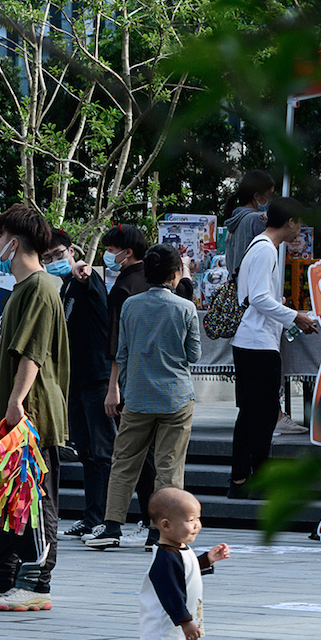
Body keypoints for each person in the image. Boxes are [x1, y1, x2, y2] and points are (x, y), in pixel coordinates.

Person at [0, 204, 69, 613]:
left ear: (14, 241)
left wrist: (15, 403)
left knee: (35, 498)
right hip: (9, 415)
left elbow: (33, 354)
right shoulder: (21, 289)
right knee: (1, 496)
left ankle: (36, 581)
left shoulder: (42, 288)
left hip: (30, 415)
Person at [95, 245, 202, 551]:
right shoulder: (185, 308)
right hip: (176, 397)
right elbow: (193, 354)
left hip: (138, 396)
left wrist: (126, 384)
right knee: (169, 465)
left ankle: (112, 525)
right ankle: (160, 533)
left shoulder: (131, 305)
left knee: (125, 461)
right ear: (175, 275)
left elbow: (123, 352)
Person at [112, 487, 237, 640]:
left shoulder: (180, 549)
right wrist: (185, 620)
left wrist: (207, 560)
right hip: (164, 632)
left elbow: (187, 571)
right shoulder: (164, 558)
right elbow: (171, 594)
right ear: (166, 525)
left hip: (182, 632)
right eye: (191, 520)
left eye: (198, 518)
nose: (197, 525)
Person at [229, 200, 321, 498]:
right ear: (291, 221)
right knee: (263, 414)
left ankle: (242, 480)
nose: (300, 230)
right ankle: (252, 479)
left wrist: (283, 308)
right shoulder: (266, 248)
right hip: (256, 343)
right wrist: (296, 315)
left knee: (255, 413)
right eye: (299, 223)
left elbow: (259, 296)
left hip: (254, 340)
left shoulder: (263, 246)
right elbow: (258, 298)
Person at [49, 231, 116, 540]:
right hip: (74, 380)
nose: (53, 262)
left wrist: (83, 270)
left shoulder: (85, 279)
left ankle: (107, 518)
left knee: (103, 452)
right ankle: (91, 517)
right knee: (86, 451)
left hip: (97, 377)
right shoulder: (63, 288)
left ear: (71, 251)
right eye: (46, 258)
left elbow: (85, 273)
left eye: (58, 255)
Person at [94, 224, 158, 529]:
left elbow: (117, 342)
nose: (107, 255)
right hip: (161, 379)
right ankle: (157, 521)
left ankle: (136, 520)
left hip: (131, 378)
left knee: (134, 454)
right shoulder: (155, 281)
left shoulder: (123, 288)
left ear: (127, 252)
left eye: (109, 250)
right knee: (158, 455)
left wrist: (112, 386)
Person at [220, 169, 277, 281]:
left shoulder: (234, 219)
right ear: (256, 196)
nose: (271, 200)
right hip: (251, 286)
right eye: (269, 195)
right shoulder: (256, 219)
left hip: (235, 285)